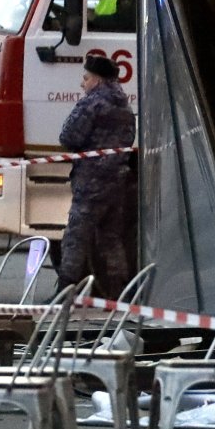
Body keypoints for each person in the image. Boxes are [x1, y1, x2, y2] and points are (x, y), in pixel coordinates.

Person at [56, 54, 136, 298]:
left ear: (98, 80)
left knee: (75, 238)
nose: (83, 83)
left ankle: (64, 293)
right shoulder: (125, 106)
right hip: (116, 183)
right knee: (111, 240)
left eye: (86, 78)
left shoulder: (92, 103)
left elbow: (68, 136)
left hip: (90, 183)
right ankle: (119, 295)